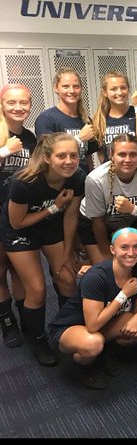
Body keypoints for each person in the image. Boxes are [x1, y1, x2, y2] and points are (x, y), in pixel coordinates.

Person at [0, 133, 84, 366]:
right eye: (61, 156)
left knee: (67, 276)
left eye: (73, 155)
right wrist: (54, 207)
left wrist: (67, 255)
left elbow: (70, 217)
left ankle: (67, 328)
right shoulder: (24, 181)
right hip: (19, 230)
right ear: (47, 158)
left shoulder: (77, 178)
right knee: (36, 290)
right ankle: (38, 340)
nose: (69, 161)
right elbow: (17, 222)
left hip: (50, 227)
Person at [48, 227, 137, 387]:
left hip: (105, 322)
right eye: (124, 247)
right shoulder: (96, 277)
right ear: (113, 250)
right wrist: (123, 294)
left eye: (136, 247)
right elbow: (93, 325)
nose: (131, 252)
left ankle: (105, 351)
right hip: (72, 326)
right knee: (93, 343)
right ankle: (86, 366)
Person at [79, 134, 137, 263]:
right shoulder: (95, 179)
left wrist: (133, 209)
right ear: (112, 155)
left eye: (133, 154)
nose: (128, 159)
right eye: (122, 154)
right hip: (94, 223)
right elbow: (97, 221)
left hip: (131, 220)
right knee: (106, 269)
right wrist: (106, 254)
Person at [0, 84, 36, 347]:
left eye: (23, 102)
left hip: (18, 214)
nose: (18, 108)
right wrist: (4, 151)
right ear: (2, 105)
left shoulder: (31, 138)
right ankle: (7, 321)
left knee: (19, 270)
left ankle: (26, 318)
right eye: (12, 103)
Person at [35, 68, 98, 173]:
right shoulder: (46, 119)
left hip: (82, 182)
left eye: (76, 86)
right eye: (65, 86)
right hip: (61, 182)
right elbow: (45, 154)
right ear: (56, 88)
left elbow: (88, 157)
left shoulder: (85, 120)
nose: (71, 91)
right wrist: (79, 138)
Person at [91, 72, 137, 163]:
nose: (119, 92)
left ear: (128, 89)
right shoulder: (100, 119)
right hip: (112, 173)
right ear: (105, 92)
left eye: (123, 88)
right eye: (113, 89)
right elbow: (101, 154)